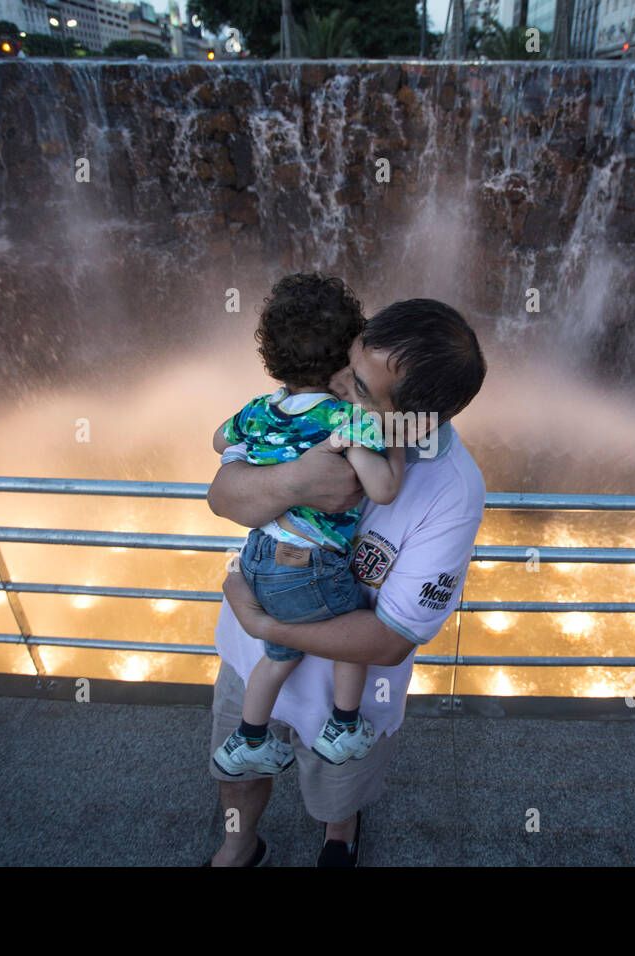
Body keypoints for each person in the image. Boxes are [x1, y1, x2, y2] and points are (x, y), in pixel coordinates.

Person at [204, 297, 487, 867]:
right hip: (248, 659)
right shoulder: (313, 407)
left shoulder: (454, 492)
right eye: (350, 360)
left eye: (357, 384)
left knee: (339, 789)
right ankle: (239, 846)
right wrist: (295, 482)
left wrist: (265, 622)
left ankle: (340, 837)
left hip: (347, 693)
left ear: (413, 422)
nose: (335, 380)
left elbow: (389, 640)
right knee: (238, 772)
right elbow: (221, 496)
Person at [210, 273, 407, 779]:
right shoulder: (348, 417)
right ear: (348, 353)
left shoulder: (257, 412)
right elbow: (382, 489)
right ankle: (344, 726)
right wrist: (397, 442)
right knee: (352, 636)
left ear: (271, 356)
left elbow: (216, 441)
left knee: (278, 657)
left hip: (259, 555)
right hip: (310, 564)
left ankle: (247, 739)